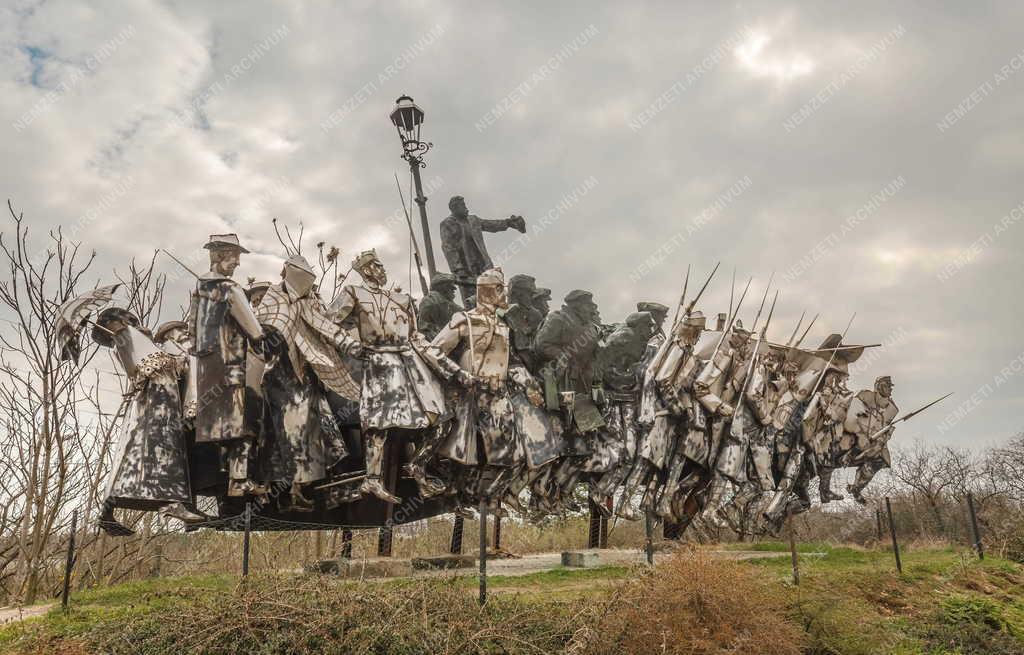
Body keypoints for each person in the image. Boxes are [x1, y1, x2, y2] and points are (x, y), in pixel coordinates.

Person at [329, 249, 467, 503]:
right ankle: (372, 480)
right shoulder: (353, 293)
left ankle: (418, 467)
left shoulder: (401, 300)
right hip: (379, 361)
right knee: (377, 423)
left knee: (441, 419)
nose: (383, 271)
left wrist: (452, 370)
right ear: (367, 268)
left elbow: (418, 339)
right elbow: (330, 323)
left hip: (410, 365)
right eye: (378, 266)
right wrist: (351, 345)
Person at [431, 268, 555, 515]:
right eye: (499, 289)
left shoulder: (503, 326)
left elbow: (512, 364)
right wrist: (458, 374)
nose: (504, 294)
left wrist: (530, 385)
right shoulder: (463, 320)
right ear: (488, 291)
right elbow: (434, 350)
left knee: (512, 457)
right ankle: (457, 499)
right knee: (466, 457)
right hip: (472, 395)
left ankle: (487, 497)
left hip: (499, 398)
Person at [254, 255, 357, 510]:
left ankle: (312, 489)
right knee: (284, 434)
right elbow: (267, 326)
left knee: (322, 434)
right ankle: (280, 491)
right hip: (279, 377)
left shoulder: (311, 300)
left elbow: (325, 325)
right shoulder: (273, 296)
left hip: (307, 376)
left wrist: (348, 344)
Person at [95, 308, 202, 534]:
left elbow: (174, 367)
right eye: (129, 320)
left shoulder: (141, 341)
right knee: (150, 454)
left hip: (166, 403)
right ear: (116, 323)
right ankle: (170, 504)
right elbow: (150, 366)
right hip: (153, 404)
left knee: (160, 454)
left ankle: (171, 504)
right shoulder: (125, 339)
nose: (135, 323)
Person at [189, 234, 265, 498]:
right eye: (235, 258)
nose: (237, 264)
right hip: (232, 365)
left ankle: (224, 475)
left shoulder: (198, 290)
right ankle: (239, 479)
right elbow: (254, 330)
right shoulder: (231, 289)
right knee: (242, 425)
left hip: (205, 370)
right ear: (220, 256)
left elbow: (191, 332)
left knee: (217, 429)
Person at [439, 195, 526, 304]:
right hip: (466, 270)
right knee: (472, 300)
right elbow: (448, 247)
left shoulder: (473, 220)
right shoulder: (447, 223)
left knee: (494, 297)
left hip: (483, 265)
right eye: (463, 206)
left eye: (465, 205)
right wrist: (458, 269)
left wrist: (508, 223)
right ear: (454, 208)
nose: (466, 208)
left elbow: (490, 225)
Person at [842, 375, 898, 503]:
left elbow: (885, 426)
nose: (890, 389)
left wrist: (885, 437)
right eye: (888, 386)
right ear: (880, 386)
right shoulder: (864, 396)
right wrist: (860, 434)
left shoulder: (891, 408)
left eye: (890, 387)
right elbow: (851, 417)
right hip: (854, 434)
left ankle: (856, 488)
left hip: (874, 441)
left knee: (881, 460)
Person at [417, 272, 462, 340]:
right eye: (451, 288)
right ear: (443, 288)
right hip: (441, 343)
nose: (454, 290)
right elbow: (425, 329)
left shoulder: (447, 301)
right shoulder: (432, 300)